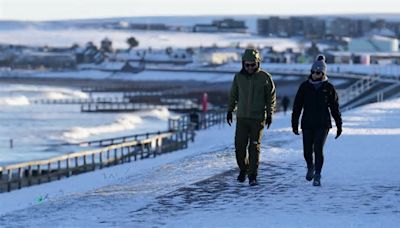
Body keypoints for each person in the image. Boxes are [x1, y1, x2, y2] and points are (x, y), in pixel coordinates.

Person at [227, 48, 276, 186]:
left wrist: (270, 114)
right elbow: (233, 95)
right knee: (239, 147)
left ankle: (253, 175)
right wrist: (230, 110)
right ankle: (244, 169)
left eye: (253, 65)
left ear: (258, 63)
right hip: (242, 118)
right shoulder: (238, 77)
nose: (249, 67)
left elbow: (270, 98)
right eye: (247, 65)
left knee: (254, 147)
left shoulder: (265, 78)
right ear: (243, 64)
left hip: (258, 119)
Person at [291, 54, 342, 187]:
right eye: (313, 72)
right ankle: (310, 166)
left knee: (318, 148)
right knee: (307, 151)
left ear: (323, 73)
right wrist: (294, 124)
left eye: (318, 72)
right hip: (307, 123)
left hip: (322, 123)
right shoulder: (304, 87)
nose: (315, 74)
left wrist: (339, 125)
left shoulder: (329, 88)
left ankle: (318, 175)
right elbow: (297, 106)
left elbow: (335, 108)